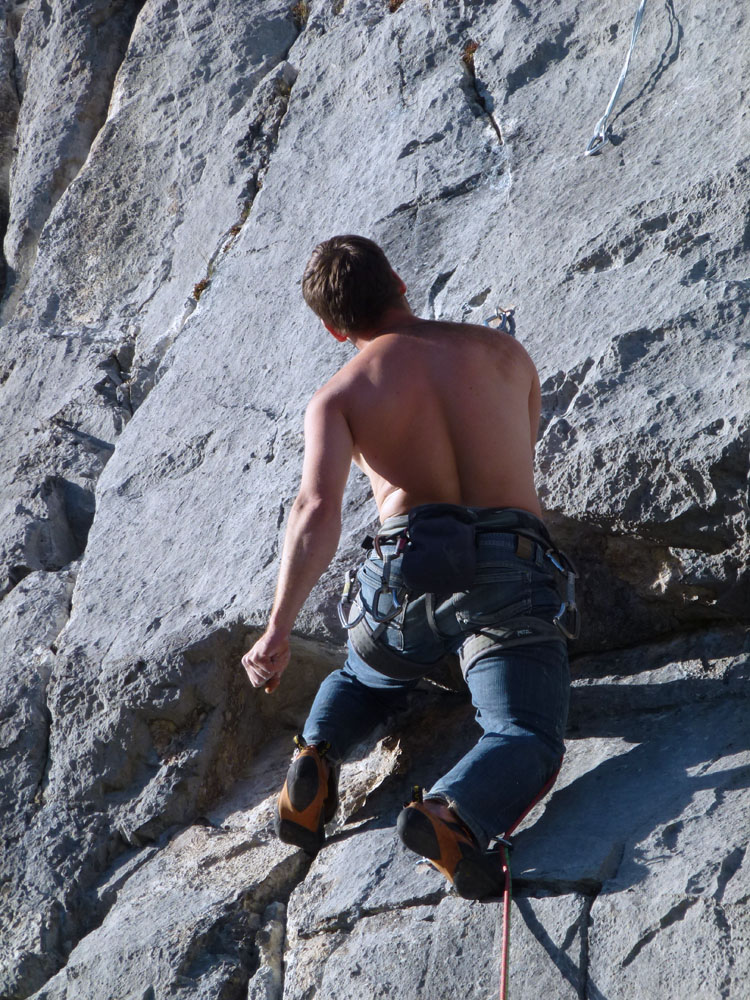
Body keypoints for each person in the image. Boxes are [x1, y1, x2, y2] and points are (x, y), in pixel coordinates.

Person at [241, 235, 574, 899]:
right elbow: (524, 445)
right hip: (511, 569)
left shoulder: (338, 397)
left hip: (405, 574)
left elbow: (315, 512)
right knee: (525, 734)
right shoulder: (503, 353)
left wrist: (276, 630)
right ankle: (449, 816)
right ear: (398, 279)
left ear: (336, 330)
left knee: (367, 672)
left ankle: (315, 756)